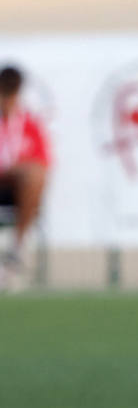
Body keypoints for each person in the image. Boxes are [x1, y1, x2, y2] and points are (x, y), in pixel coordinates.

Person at [0, 65, 51, 287]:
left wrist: (15, 169)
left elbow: (42, 162)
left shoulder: (28, 123)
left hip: (14, 188)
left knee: (35, 174)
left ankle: (16, 249)